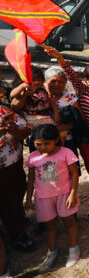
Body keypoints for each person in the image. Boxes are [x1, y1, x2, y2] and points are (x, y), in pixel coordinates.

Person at [44, 45, 89, 220]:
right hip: (87, 139)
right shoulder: (82, 91)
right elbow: (69, 72)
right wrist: (59, 57)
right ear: (86, 80)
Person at [25, 124, 80, 271]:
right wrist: (29, 198)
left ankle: (74, 248)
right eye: (38, 144)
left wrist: (73, 193)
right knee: (49, 226)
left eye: (46, 143)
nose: (42, 147)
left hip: (64, 195)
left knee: (69, 222)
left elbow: (75, 174)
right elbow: (31, 178)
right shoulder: (33, 157)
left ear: (56, 140)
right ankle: (52, 251)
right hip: (43, 198)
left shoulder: (66, 153)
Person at [0, 105, 33, 252]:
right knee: (6, 203)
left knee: (14, 199)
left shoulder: (3, 110)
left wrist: (17, 131)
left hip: (13, 165)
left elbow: (27, 128)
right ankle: (16, 236)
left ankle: (17, 227)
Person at [44, 67, 84, 165]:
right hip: (43, 142)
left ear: (65, 83)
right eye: (53, 81)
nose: (57, 84)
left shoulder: (70, 97)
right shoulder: (40, 97)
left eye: (61, 81)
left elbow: (79, 119)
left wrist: (64, 126)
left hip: (67, 141)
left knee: (70, 171)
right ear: (45, 82)